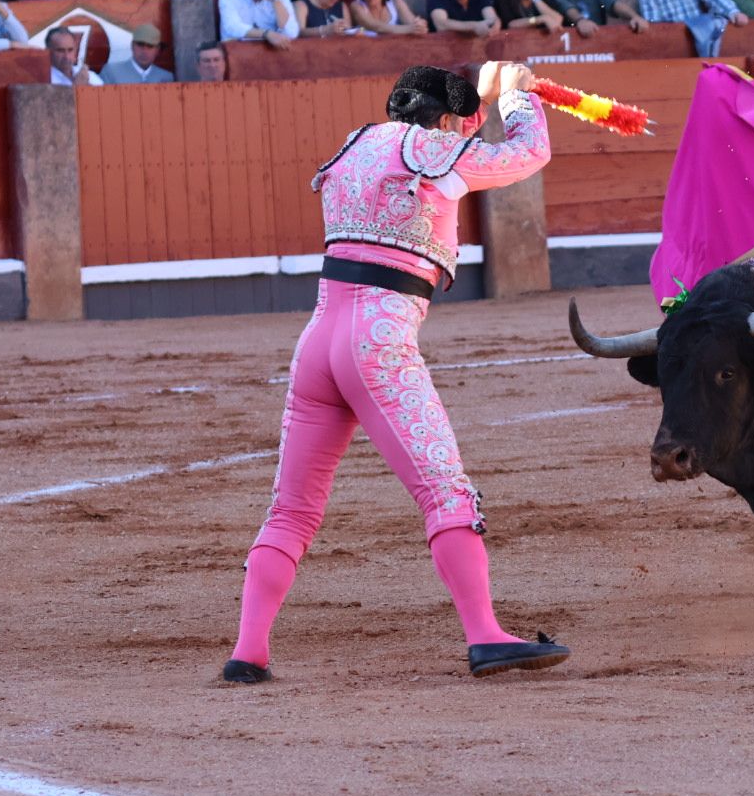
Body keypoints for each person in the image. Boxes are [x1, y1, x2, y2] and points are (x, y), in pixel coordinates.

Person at [221, 60, 568, 684]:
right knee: (445, 492)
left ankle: (249, 652)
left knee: (291, 511)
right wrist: (517, 98)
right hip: (377, 346)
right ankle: (485, 635)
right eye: (458, 124)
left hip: (319, 342)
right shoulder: (436, 149)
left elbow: (442, 155)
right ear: (443, 122)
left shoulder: (357, 144)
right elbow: (528, 153)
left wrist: (483, 100)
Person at [100, 22, 174, 83]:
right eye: (140, 45)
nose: (144, 51)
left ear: (157, 50)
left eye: (150, 46)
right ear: (132, 46)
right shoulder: (111, 71)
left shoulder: (166, 77)